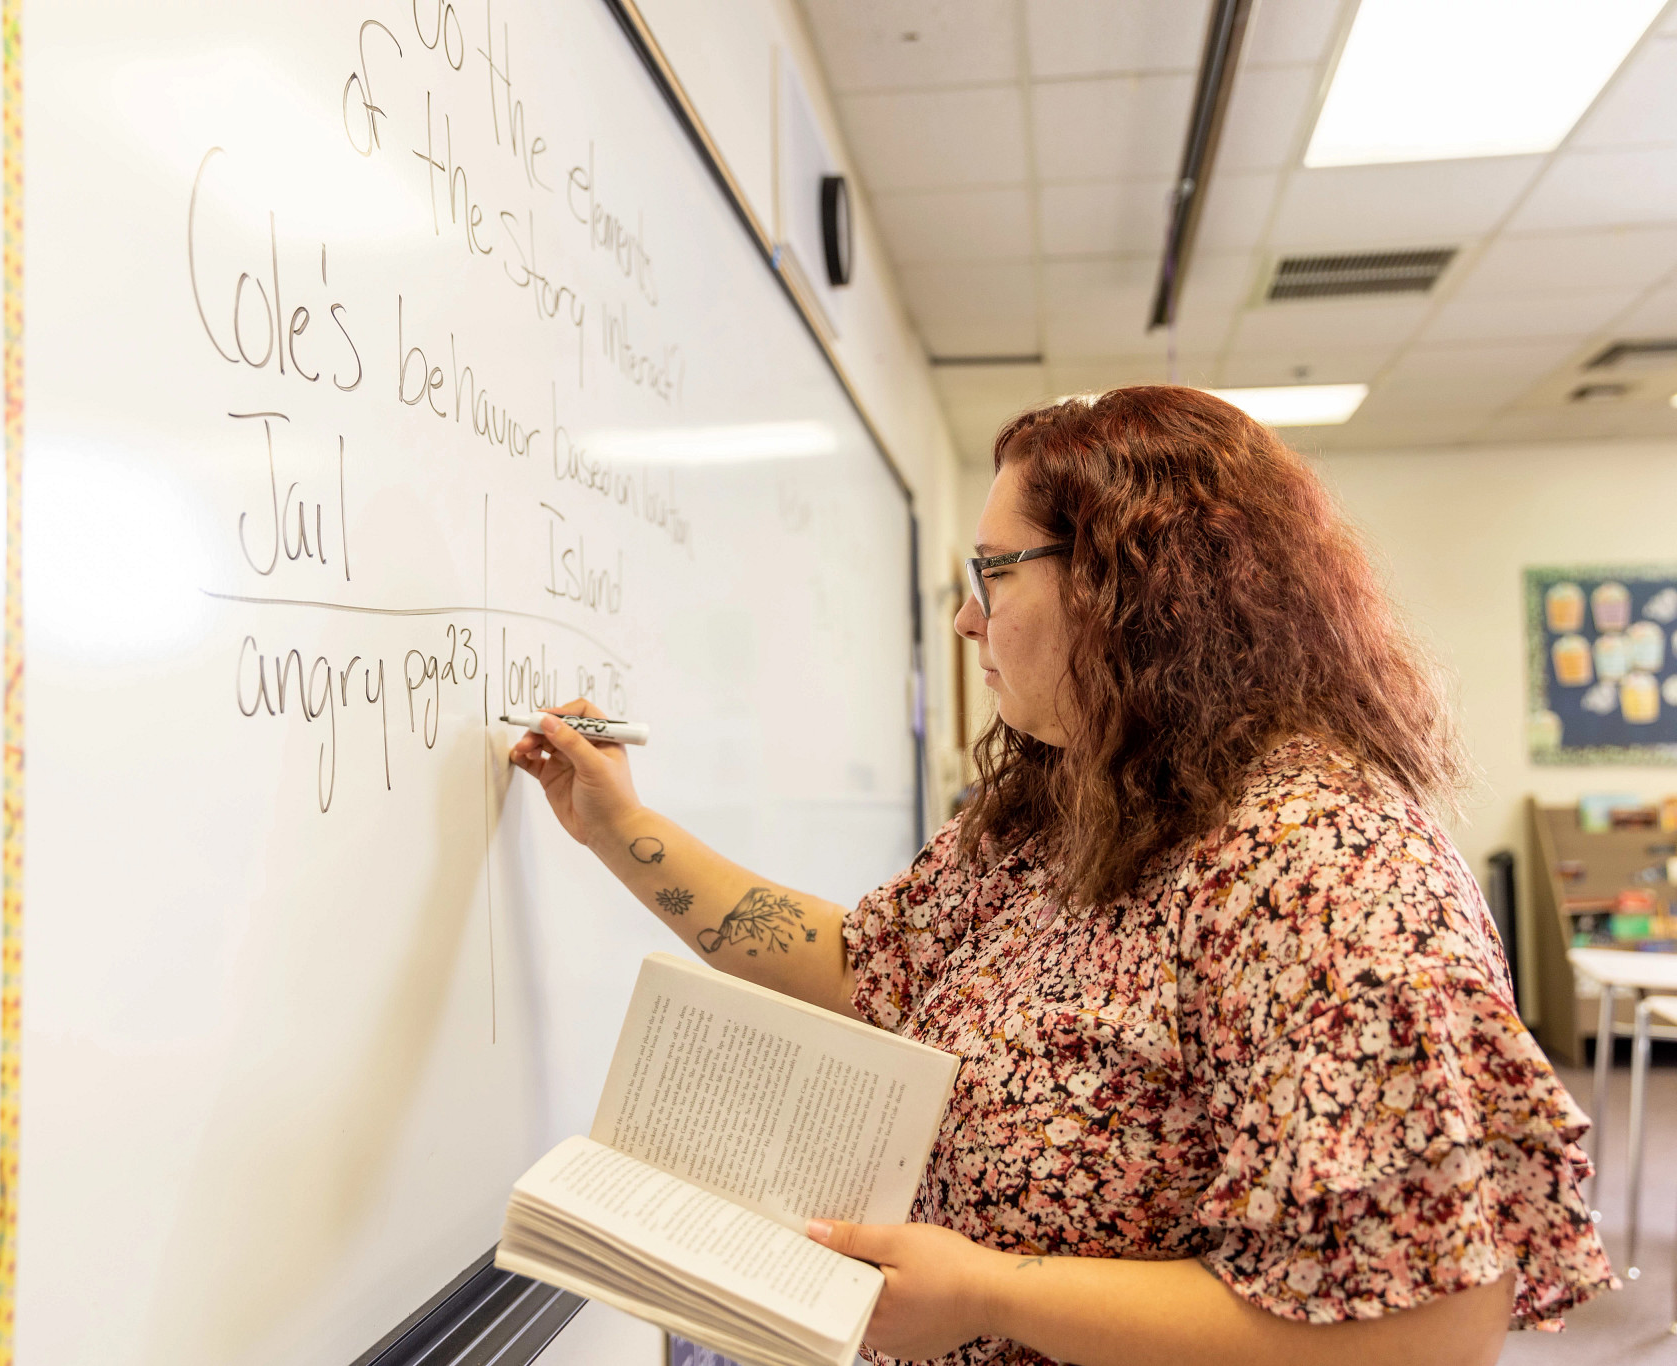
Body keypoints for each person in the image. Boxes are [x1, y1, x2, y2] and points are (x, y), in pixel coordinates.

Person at [508, 386, 1612, 1366]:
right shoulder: (1082, 799)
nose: (963, 616)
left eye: (992, 570)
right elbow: (863, 964)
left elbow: (1424, 1330)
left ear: (1136, 586)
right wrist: (618, 827)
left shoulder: (1325, 871)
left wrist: (995, 1294)